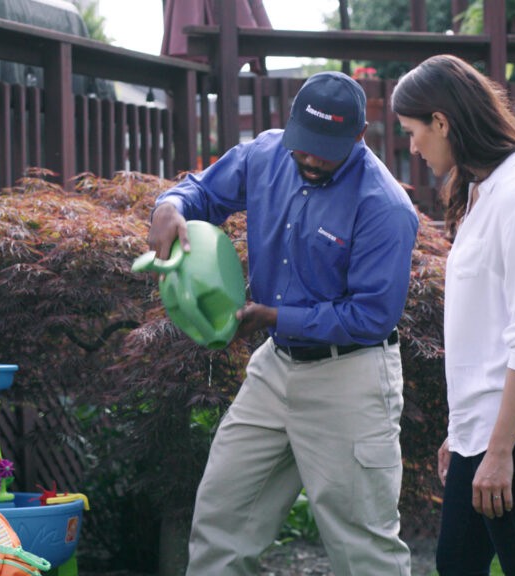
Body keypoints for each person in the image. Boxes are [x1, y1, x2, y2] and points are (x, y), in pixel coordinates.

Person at [146, 71, 419, 575]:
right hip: (274, 366)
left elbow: (369, 315)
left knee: (363, 548)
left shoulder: (384, 207)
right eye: (303, 144)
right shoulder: (266, 155)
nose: (310, 158)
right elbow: (199, 192)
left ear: (358, 138)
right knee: (221, 516)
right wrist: (170, 206)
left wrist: (275, 316)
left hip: (351, 375)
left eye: (324, 149)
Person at [392, 54, 515, 575]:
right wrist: (465, 430)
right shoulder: (481, 193)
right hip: (484, 435)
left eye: (413, 132)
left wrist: (499, 451)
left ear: (442, 122)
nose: (412, 146)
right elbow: (486, 328)